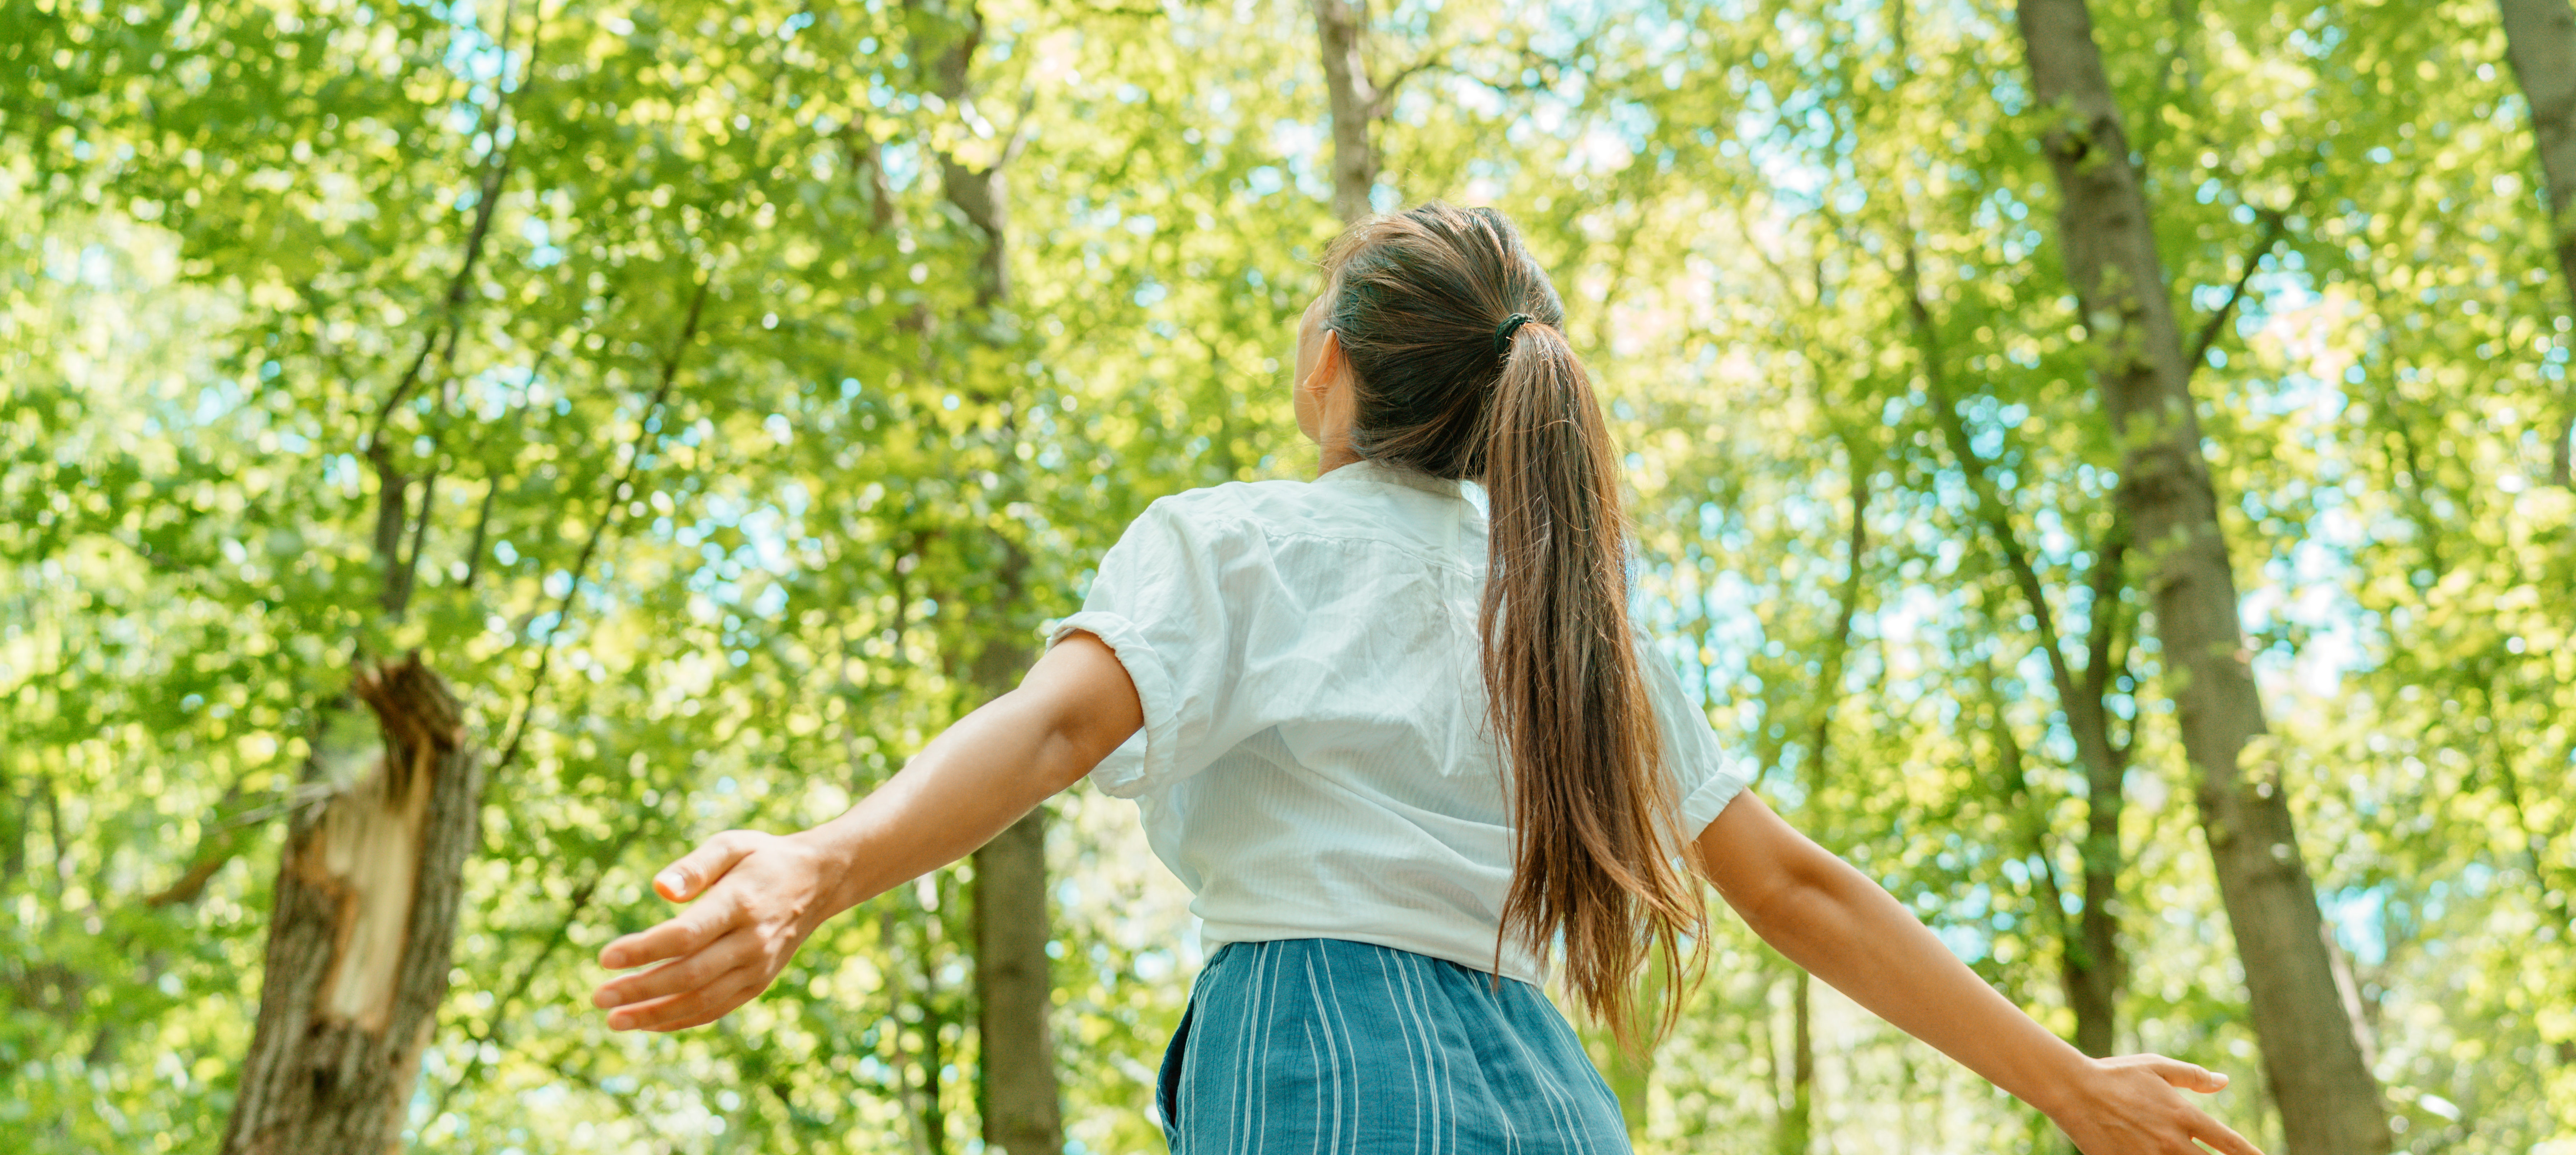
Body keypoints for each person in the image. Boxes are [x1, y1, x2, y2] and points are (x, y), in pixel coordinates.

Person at [593, 204, 2260, 1155]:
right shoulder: (1581, 617)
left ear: (1331, 365)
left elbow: (1046, 730)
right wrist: (2069, 1082)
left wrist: (819, 859)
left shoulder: (1238, 541)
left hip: (1315, 1046)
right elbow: (1797, 888)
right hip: (1549, 1092)